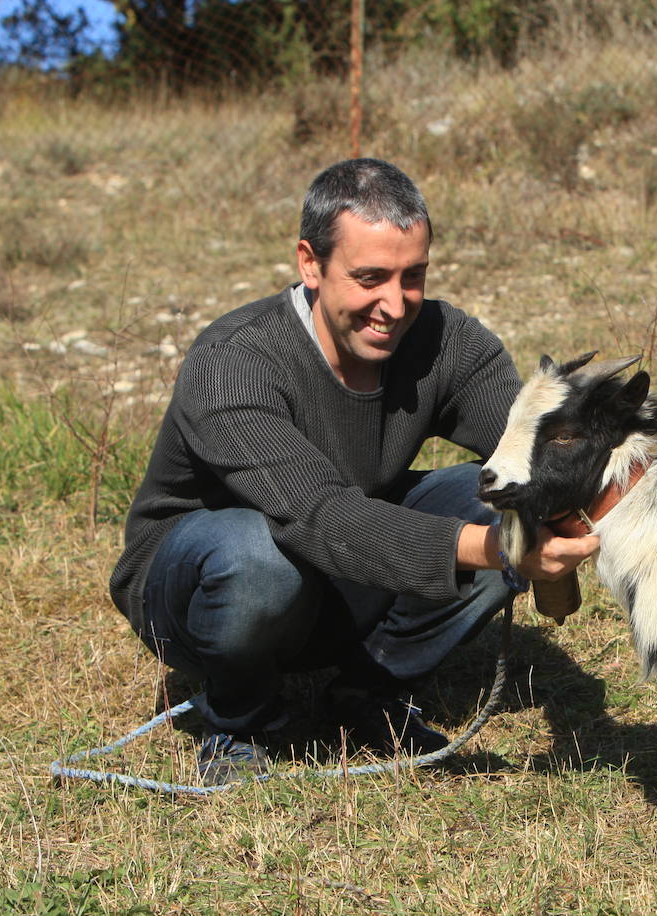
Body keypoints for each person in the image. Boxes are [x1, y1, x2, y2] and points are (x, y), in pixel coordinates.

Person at [109, 158, 597, 785]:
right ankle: (240, 721)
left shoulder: (447, 342)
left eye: (412, 276)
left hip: (341, 570)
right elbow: (316, 516)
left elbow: (531, 450)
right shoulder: (232, 362)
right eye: (369, 278)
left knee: (495, 498)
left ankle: (369, 692)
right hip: (208, 583)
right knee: (258, 555)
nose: (394, 305)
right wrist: (501, 549)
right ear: (310, 264)